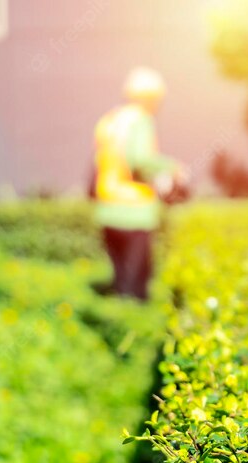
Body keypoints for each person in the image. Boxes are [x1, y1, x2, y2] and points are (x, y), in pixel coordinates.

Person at [92, 68, 184, 301]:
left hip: (107, 209)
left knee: (121, 283)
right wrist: (173, 168)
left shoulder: (111, 120)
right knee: (136, 289)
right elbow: (141, 161)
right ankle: (135, 330)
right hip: (135, 211)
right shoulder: (140, 120)